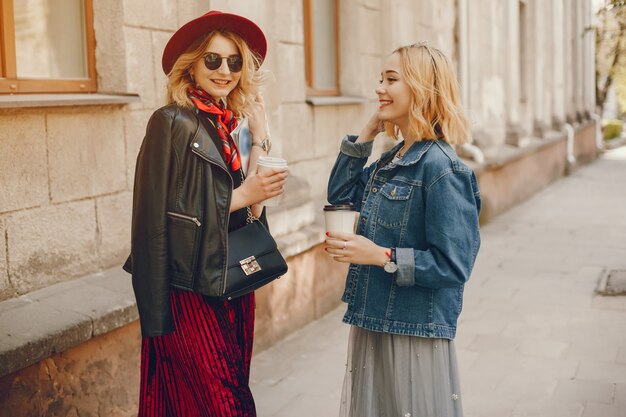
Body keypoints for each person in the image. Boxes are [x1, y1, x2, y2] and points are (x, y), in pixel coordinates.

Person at [123, 10, 287, 417]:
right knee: (227, 403)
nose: (225, 70)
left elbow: (252, 207)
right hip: (190, 289)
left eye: (234, 61)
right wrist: (155, 315)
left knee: (195, 400)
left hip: (231, 281)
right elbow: (153, 217)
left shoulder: (226, 125)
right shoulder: (170, 122)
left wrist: (261, 133)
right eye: (213, 59)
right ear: (191, 64)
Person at [325, 42, 481, 417]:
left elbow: (453, 266)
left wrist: (378, 256)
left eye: (391, 79)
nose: (379, 87)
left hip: (414, 331)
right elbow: (340, 196)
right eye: (381, 79)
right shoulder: (391, 159)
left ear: (422, 88)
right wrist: (368, 131)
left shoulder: (442, 169)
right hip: (373, 320)